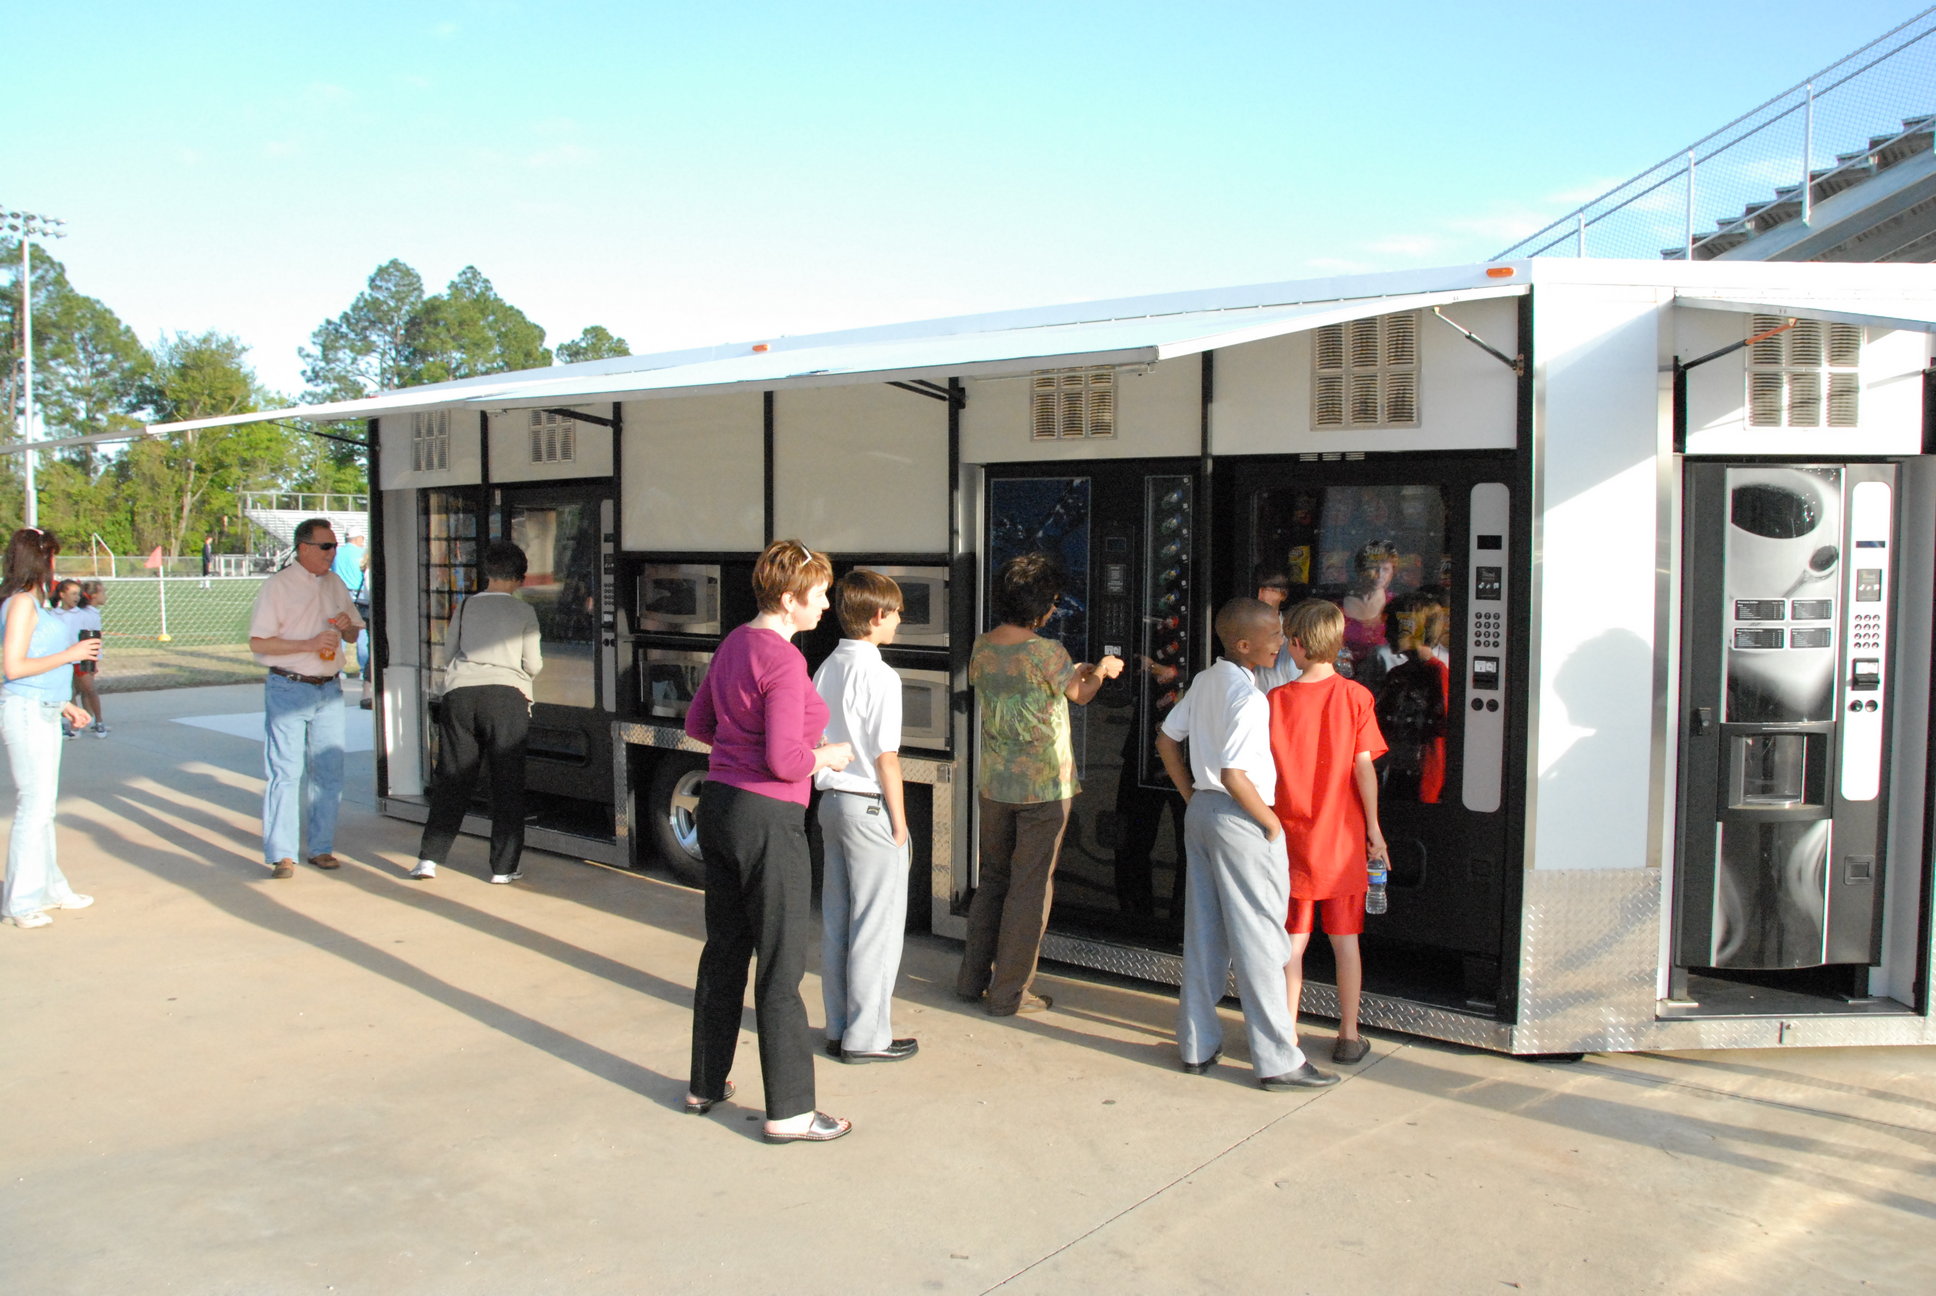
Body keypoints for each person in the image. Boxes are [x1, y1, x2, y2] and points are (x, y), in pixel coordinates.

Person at [684, 539, 856, 1143]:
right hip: (768, 819)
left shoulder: (734, 643)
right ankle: (790, 1112)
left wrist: (745, 752)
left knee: (724, 950)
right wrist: (825, 755)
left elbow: (698, 724)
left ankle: (705, 1083)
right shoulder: (784, 661)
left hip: (720, 806)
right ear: (788, 599)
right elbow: (786, 762)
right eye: (819, 595)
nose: (826, 606)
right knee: (781, 966)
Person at [1158, 598, 1338, 1090]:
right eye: (1274, 635)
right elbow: (1236, 774)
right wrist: (1271, 824)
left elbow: (1167, 740)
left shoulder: (1206, 680)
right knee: (1260, 939)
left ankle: (1197, 1044)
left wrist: (1192, 795)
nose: (1281, 642)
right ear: (1243, 644)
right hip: (1241, 816)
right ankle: (1278, 1059)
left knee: (1204, 932)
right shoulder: (1250, 697)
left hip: (1203, 812)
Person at [955, 553, 1122, 1016]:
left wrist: (1077, 670)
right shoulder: (1047, 651)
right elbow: (1080, 694)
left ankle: (971, 980)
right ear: (1042, 605)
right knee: (1030, 888)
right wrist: (1101, 671)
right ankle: (1009, 993)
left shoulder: (983, 646)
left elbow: (1029, 685)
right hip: (1044, 789)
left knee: (992, 880)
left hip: (995, 784)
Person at [1268, 599, 1389, 1065]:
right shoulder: (1356, 697)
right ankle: (1349, 1034)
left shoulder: (1274, 701)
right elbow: (1364, 769)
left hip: (1290, 841)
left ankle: (1287, 1035)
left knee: (1291, 944)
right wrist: (1374, 830)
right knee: (1346, 941)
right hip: (1342, 842)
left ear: (1297, 644)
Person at [813, 569, 918, 1064]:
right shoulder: (882, 676)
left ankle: (838, 1026)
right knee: (877, 925)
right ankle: (868, 1036)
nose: (899, 620)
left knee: (838, 922)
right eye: (896, 613)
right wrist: (900, 824)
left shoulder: (826, 668)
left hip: (832, 802)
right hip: (870, 804)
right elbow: (886, 758)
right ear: (877, 616)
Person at [411, 541, 543, 883]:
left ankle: (429, 859)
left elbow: (448, 653)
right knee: (507, 783)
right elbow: (533, 664)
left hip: (461, 696)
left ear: (487, 573)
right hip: (506, 697)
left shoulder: (466, 605)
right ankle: (503, 868)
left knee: (453, 778)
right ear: (519, 578)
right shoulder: (524, 612)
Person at [248, 518, 363, 879]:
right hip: (289, 686)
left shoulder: (335, 583)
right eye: (326, 547)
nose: (332, 554)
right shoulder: (277, 586)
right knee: (285, 771)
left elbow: (353, 634)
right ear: (303, 548)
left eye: (335, 547)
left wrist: (347, 626)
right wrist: (308, 644)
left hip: (329, 688)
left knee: (329, 772)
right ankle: (282, 854)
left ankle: (321, 847)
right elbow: (258, 643)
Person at [1, 529, 102, 928]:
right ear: (39, 559)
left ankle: (50, 888)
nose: (55, 565)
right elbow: (13, 667)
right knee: (35, 806)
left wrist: (64, 705)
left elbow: (32, 665)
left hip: (41, 708)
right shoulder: (21, 603)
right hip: (26, 711)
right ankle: (21, 902)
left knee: (43, 807)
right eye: (52, 556)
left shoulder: (32, 603)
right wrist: (71, 654)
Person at [1375, 591, 1451, 804]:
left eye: (1392, 626)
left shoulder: (1438, 674)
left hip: (1426, 781)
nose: (1386, 634)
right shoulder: (1397, 675)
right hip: (1397, 775)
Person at [1340, 541, 1398, 687]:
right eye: (1373, 568)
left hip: (1385, 685)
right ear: (1359, 570)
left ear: (1393, 572)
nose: (1379, 575)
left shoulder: (1397, 606)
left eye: (1385, 569)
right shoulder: (1337, 607)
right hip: (1345, 684)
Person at [1251, 561, 1303, 692]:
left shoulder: (1293, 631)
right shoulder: (1243, 627)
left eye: (1266, 590)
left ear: (1283, 594)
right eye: (1257, 589)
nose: (1260, 596)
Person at [71, 580, 108, 737]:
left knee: (85, 690)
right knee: (87, 689)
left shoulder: (92, 613)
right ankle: (96, 722)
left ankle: (89, 719)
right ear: (93, 596)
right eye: (103, 592)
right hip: (81, 657)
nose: (105, 596)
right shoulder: (84, 614)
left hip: (88, 656)